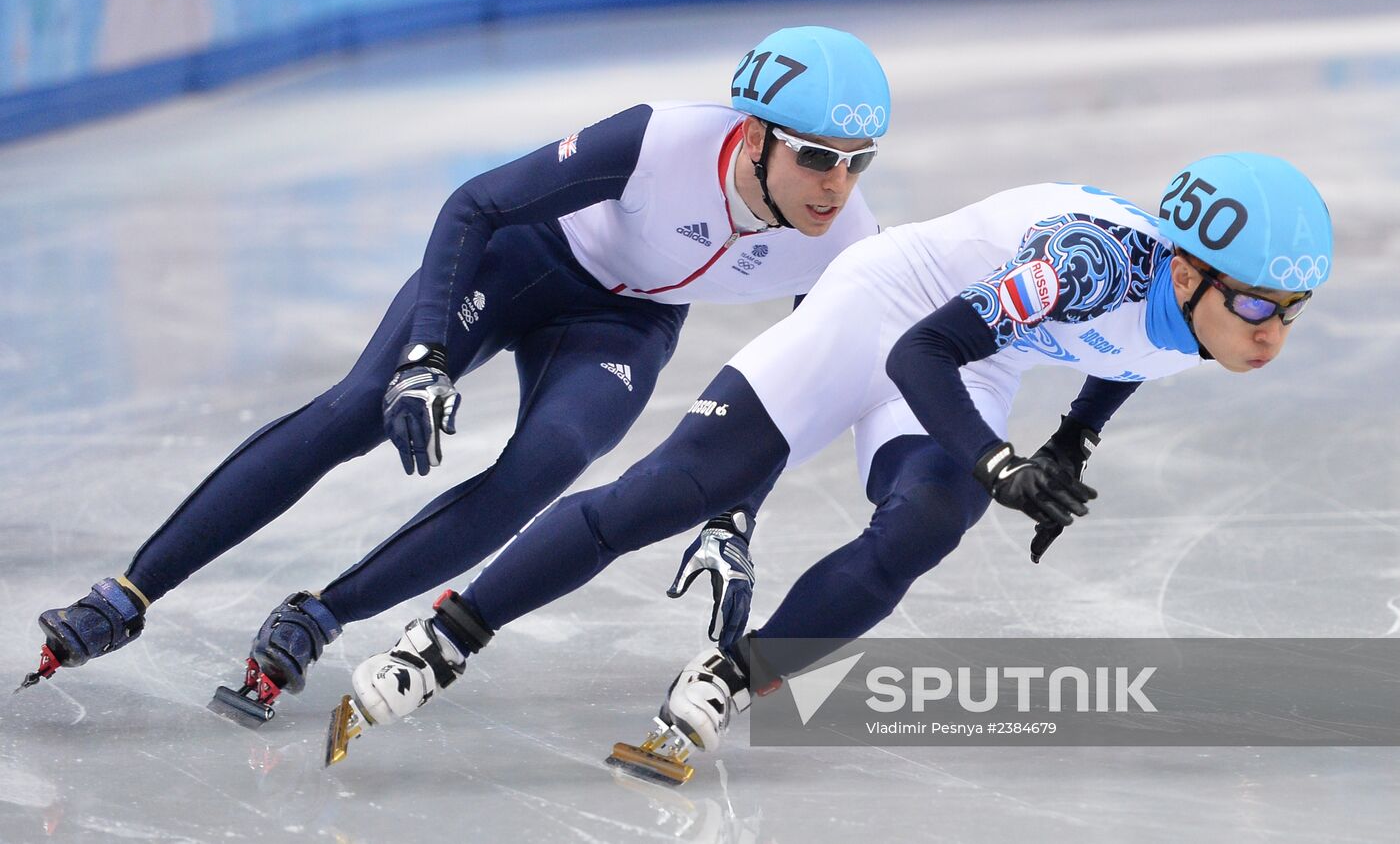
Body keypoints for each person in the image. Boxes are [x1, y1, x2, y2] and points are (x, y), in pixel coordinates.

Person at [326, 153, 1331, 774]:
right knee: (675, 490)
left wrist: (1069, 442)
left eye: (1290, 310)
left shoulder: (1201, 315)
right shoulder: (1087, 263)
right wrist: (995, 461)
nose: (1271, 333)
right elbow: (918, 352)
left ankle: (732, 671)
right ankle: (445, 636)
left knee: (926, 525)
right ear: (1188, 267)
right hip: (888, 312)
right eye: (1255, 304)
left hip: (983, 355)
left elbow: (1134, 353)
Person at [20, 27, 892, 719]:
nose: (837, 186)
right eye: (817, 156)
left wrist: (734, 515)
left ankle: (320, 615)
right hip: (527, 257)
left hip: (626, 320)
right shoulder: (660, 139)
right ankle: (128, 594)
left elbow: (789, 395)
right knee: (362, 405)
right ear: (749, 135)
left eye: (859, 162)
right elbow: (474, 203)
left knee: (542, 470)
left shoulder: (849, 246)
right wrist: (425, 357)